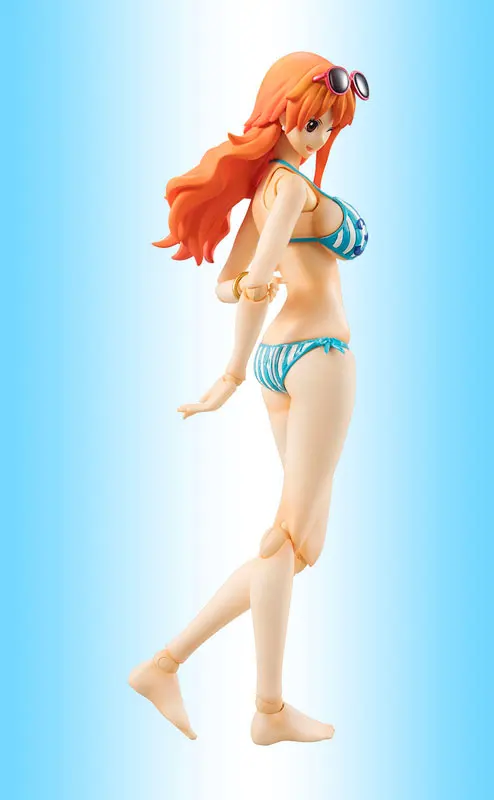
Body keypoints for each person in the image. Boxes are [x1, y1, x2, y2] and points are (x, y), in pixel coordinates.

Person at [128, 51, 369, 746]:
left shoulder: (269, 185)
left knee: (292, 543)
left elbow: (230, 283)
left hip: (274, 364)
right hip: (319, 357)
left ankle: (165, 665)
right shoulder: (290, 188)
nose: (319, 135)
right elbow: (254, 277)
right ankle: (266, 709)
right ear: (280, 112)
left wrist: (234, 373)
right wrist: (257, 286)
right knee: (291, 539)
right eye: (311, 121)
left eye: (329, 125)